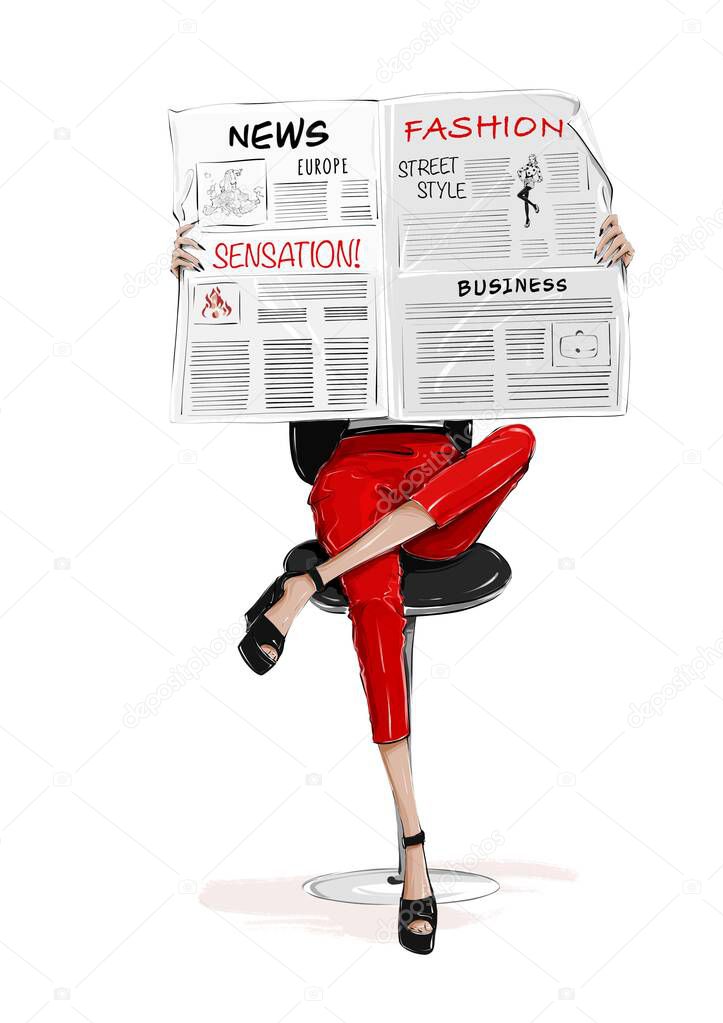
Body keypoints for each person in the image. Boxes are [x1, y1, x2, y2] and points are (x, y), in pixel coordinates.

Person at [171, 213, 634, 954]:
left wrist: (600, 259)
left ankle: (304, 583)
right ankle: (414, 844)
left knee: (519, 438)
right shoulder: (322, 282)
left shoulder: (458, 282)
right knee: (377, 603)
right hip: (354, 470)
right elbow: (244, 322)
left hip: (437, 483)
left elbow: (546, 305)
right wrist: (202, 275)